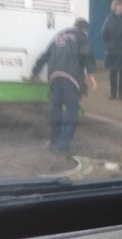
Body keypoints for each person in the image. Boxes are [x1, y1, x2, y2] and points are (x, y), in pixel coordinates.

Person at [30, 18, 97, 154]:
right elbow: (87, 54)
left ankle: (53, 140)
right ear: (84, 30)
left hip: (55, 76)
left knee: (57, 109)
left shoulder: (59, 36)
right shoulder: (81, 36)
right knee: (72, 111)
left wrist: (34, 72)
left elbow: (45, 55)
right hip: (70, 77)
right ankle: (63, 144)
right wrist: (91, 75)